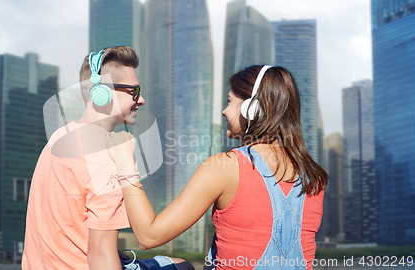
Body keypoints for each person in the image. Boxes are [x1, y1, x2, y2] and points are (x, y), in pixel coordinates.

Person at [106, 65, 328, 270]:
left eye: (230, 101)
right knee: (181, 265)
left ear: (252, 108)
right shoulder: (314, 178)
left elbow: (149, 236)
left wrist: (126, 164)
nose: (224, 111)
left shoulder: (226, 167)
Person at [22, 46, 193, 270]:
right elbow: (100, 258)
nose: (141, 100)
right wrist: (126, 165)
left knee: (174, 262)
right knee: (183, 267)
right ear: (101, 93)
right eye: (134, 91)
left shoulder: (59, 137)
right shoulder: (105, 159)